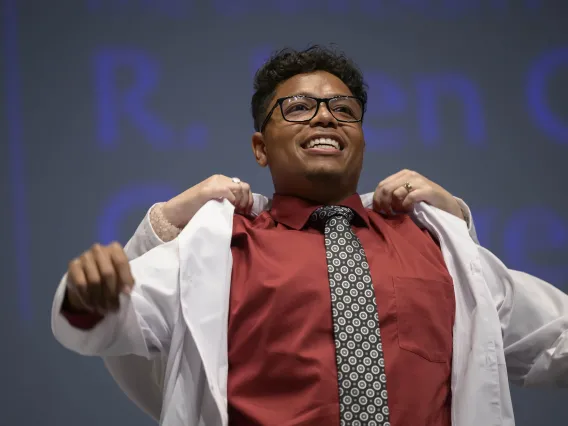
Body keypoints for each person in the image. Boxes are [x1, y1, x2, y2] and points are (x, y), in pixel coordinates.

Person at [51, 46, 568, 426]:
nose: (325, 116)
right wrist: (88, 296)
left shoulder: (434, 244)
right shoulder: (223, 245)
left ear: (361, 139)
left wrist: (457, 223)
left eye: (344, 109)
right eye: (298, 108)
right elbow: (113, 324)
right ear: (260, 147)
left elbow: (555, 339)